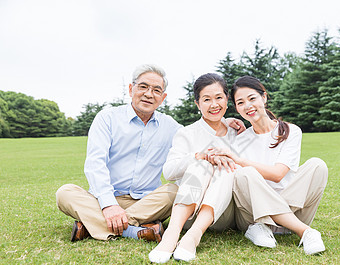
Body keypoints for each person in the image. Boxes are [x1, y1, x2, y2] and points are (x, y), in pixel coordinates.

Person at [56, 64, 243, 243]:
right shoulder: (107, 118)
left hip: (149, 202)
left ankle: (93, 226)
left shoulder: (171, 127)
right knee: (65, 193)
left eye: (156, 90)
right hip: (103, 198)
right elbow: (95, 163)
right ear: (131, 89)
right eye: (143, 87)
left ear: (163, 97)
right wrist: (109, 205)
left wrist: (226, 122)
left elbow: (199, 133)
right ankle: (134, 230)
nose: (148, 94)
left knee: (175, 191)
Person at [211, 75, 328, 255]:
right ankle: (304, 231)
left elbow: (278, 174)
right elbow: (209, 137)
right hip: (253, 216)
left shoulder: (290, 131)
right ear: (237, 109)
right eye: (240, 103)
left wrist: (239, 159)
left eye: (252, 98)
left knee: (317, 165)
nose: (248, 106)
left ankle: (281, 224)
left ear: (264, 97)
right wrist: (224, 122)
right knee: (244, 174)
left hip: (291, 206)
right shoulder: (240, 139)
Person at [148, 73, 237, 263]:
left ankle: (193, 237)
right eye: (207, 99)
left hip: (222, 214)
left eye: (219, 98)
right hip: (188, 213)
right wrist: (199, 156)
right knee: (202, 162)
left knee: (225, 164)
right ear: (197, 104)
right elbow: (169, 172)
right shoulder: (186, 133)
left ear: (227, 99)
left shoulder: (237, 132)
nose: (214, 105)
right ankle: (172, 235)